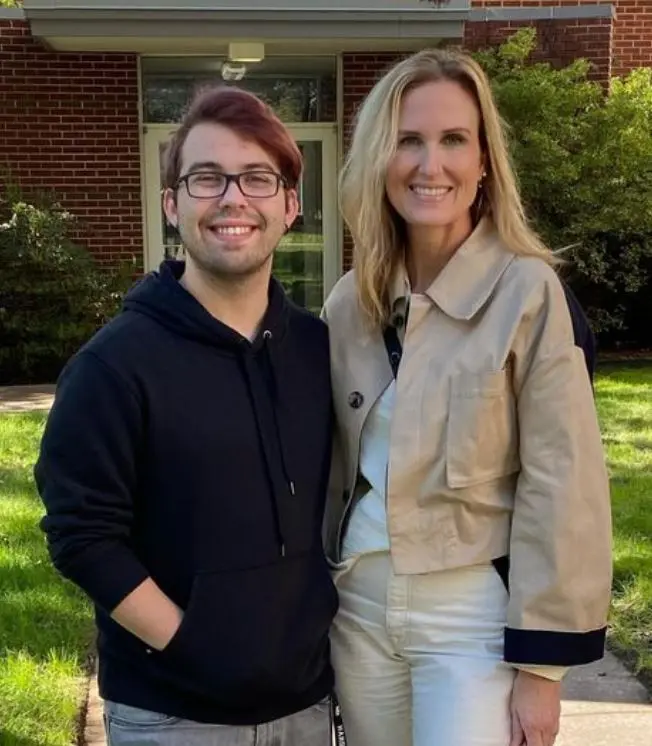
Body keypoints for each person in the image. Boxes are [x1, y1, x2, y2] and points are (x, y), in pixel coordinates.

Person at [322, 48, 612, 746]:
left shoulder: (528, 293)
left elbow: (563, 483)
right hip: (357, 607)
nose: (431, 164)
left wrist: (542, 671)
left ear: (485, 160)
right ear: (378, 159)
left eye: (454, 139)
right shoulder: (348, 306)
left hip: (470, 616)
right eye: (409, 140)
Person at [35, 86, 338, 746]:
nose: (234, 198)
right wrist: (191, 644)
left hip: (307, 706)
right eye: (207, 178)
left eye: (258, 177)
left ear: (290, 205)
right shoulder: (114, 366)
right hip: (174, 715)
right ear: (173, 204)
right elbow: (82, 534)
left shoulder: (320, 353)